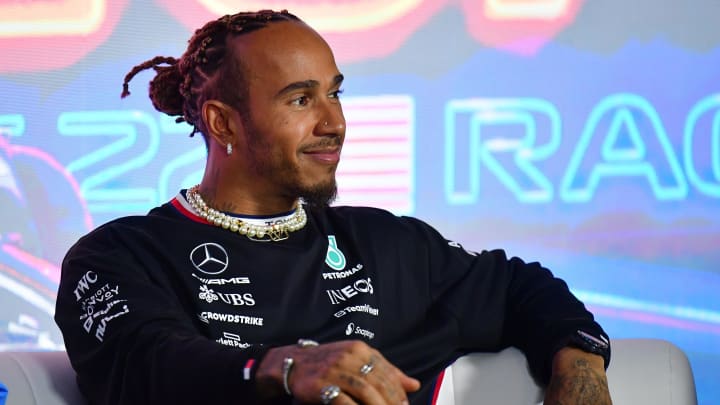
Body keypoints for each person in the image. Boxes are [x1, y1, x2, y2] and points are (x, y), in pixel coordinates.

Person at [54, 9, 612, 405]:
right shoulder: (118, 255)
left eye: (334, 93)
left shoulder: (388, 245)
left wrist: (579, 368)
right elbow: (146, 366)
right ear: (224, 122)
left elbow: (523, 290)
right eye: (301, 99)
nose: (333, 123)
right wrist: (284, 367)